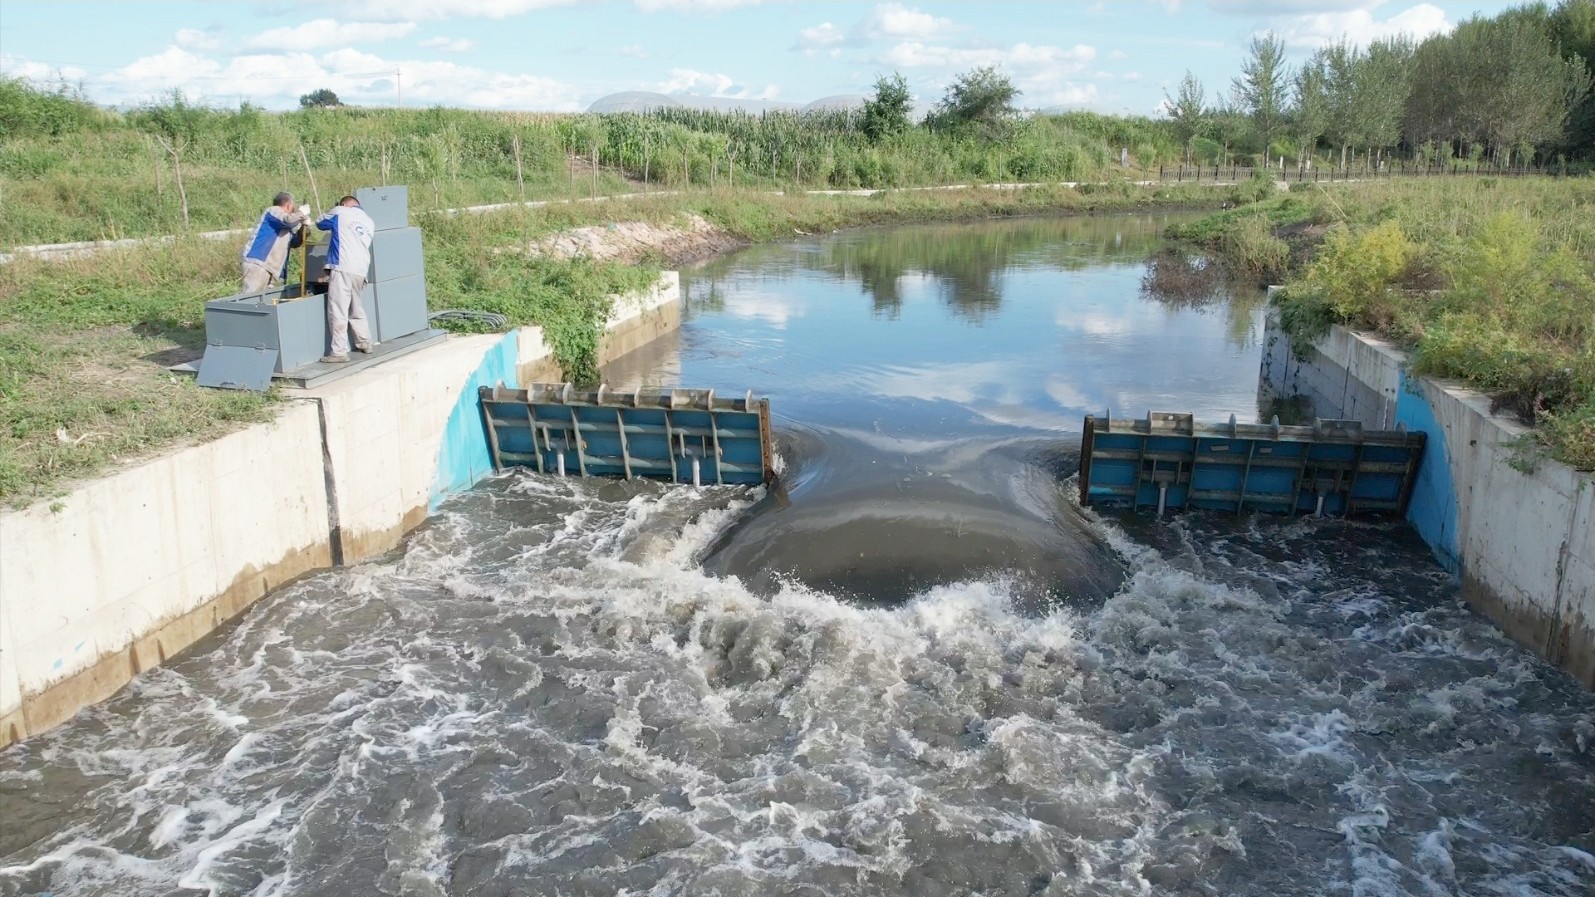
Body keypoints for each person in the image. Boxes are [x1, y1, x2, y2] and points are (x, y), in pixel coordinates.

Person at [315, 195, 377, 364]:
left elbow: (320, 223)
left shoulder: (340, 211)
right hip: (361, 270)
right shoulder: (369, 221)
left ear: (344, 204)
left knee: (338, 310)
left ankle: (338, 352)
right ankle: (365, 342)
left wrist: (325, 211)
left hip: (342, 267)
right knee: (356, 307)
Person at [241, 192, 310, 293]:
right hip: (259, 263)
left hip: (271, 268)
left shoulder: (284, 227)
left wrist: (305, 227)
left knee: (264, 302)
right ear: (288, 205)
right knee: (251, 298)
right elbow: (288, 220)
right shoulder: (273, 211)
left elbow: (294, 243)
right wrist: (301, 213)